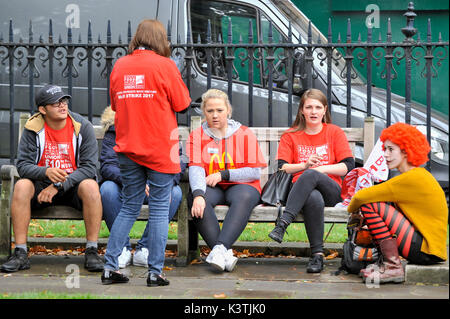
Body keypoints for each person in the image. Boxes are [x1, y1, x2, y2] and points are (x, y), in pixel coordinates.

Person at [101, 19, 191, 286]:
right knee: (160, 210)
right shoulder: (165, 65)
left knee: (129, 206)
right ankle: (155, 272)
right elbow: (183, 103)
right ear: (160, 39)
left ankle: (109, 267)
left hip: (128, 148)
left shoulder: (120, 65)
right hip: (160, 149)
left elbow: (116, 105)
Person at [1, 84, 104, 273]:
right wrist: (45, 172)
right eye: (55, 103)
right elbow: (23, 166)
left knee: (90, 186)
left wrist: (57, 185)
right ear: (43, 110)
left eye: (63, 101)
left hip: (73, 186)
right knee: (22, 185)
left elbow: (89, 167)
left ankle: (91, 250)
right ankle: (21, 253)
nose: (62, 105)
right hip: (41, 188)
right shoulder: (33, 127)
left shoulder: (82, 127)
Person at [347, 122, 448, 284]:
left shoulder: (410, 178)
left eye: (391, 149)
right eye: (384, 149)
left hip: (425, 249)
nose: (385, 155)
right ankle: (387, 263)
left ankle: (393, 267)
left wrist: (353, 213)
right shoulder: (417, 175)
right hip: (429, 248)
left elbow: (360, 198)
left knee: (370, 205)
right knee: (380, 203)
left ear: (406, 151)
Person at [268, 88, 355, 273]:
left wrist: (318, 170)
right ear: (302, 110)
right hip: (300, 193)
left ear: (325, 110)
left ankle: (283, 223)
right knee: (313, 196)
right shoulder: (290, 135)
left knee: (312, 175)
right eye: (309, 107)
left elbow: (348, 166)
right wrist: (304, 165)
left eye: (317, 107)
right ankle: (317, 256)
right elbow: (282, 167)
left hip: (332, 191)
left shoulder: (334, 132)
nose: (313, 112)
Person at [187, 89, 267, 272]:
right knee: (197, 201)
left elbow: (254, 172)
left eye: (220, 110)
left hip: (242, 185)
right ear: (204, 112)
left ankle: (219, 248)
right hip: (211, 186)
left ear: (228, 111)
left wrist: (224, 174)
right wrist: (198, 194)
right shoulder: (197, 136)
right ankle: (224, 254)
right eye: (210, 111)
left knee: (244, 197)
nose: (215, 115)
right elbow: (196, 168)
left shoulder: (244, 134)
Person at [99, 106, 186, 268]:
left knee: (175, 192)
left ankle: (145, 249)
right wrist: (133, 182)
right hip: (126, 185)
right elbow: (107, 165)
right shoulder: (114, 131)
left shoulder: (162, 126)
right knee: (107, 190)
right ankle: (122, 249)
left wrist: (160, 183)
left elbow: (179, 161)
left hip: (155, 187)